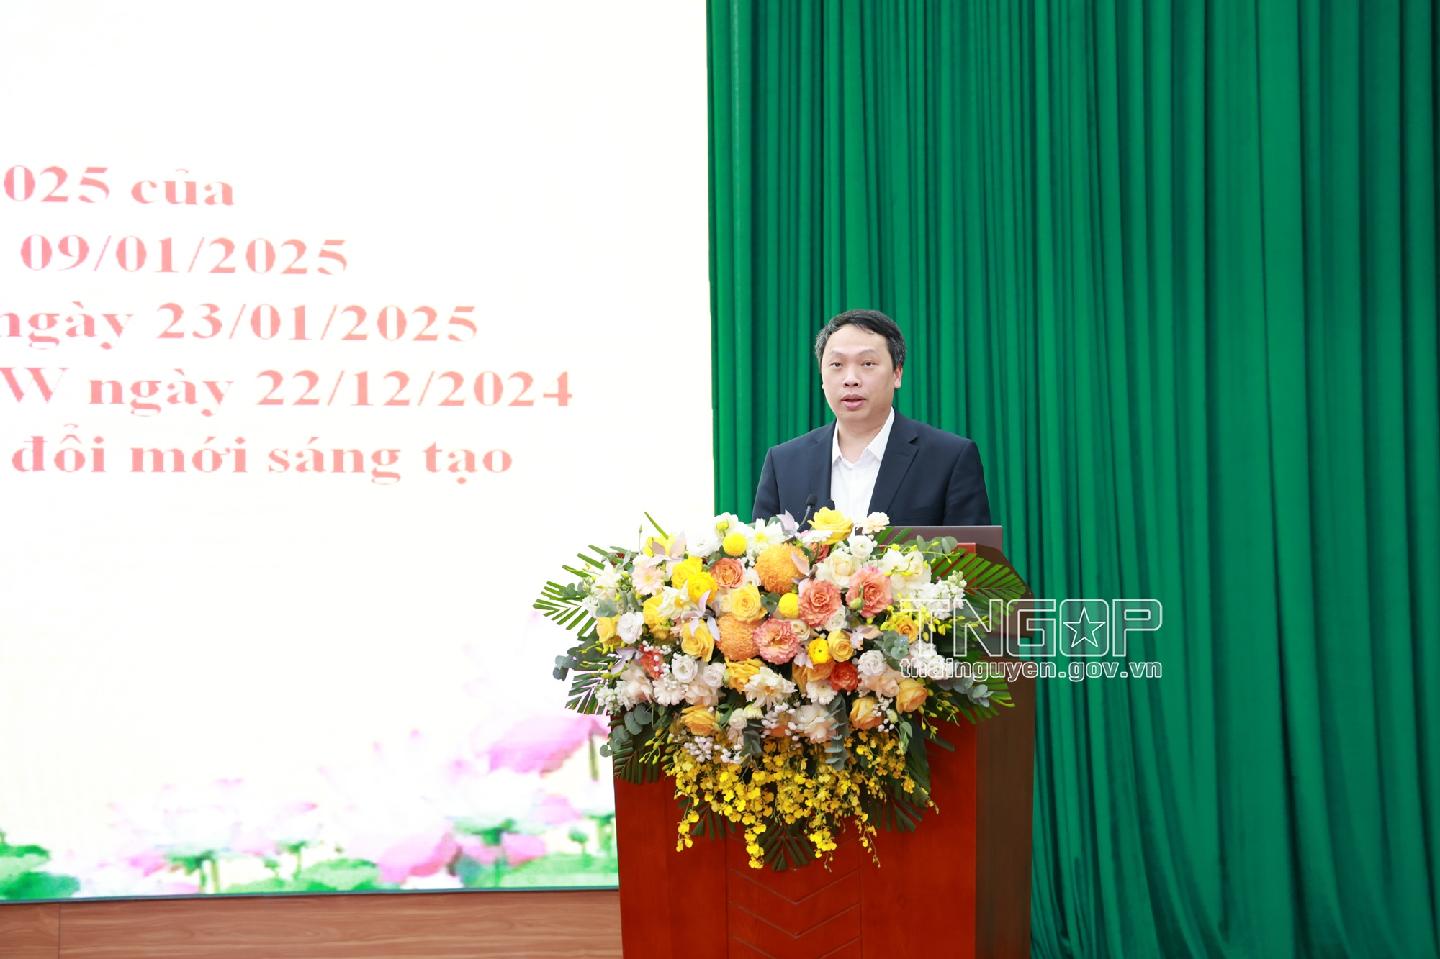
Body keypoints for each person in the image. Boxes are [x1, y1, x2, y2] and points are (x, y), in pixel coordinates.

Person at [751, 309, 992, 526]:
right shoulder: (783, 464)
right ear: (822, 377)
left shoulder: (949, 459)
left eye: (867, 363)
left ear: (897, 374)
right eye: (837, 364)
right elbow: (762, 556)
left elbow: (973, 558)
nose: (851, 379)